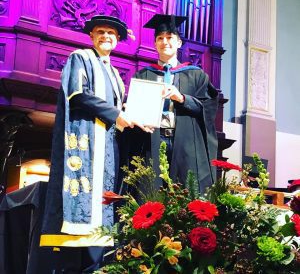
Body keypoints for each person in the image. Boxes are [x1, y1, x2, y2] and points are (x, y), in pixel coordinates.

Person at [40, 15, 148, 272]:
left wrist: (137, 118)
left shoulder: (115, 75)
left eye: (111, 33)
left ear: (118, 39)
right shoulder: (81, 58)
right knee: (79, 222)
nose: (106, 36)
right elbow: (79, 94)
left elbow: (120, 110)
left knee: (101, 219)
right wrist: (117, 114)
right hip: (86, 147)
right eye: (100, 32)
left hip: (107, 150)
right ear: (92, 36)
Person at [124, 14, 219, 193]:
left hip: (184, 142)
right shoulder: (143, 75)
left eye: (169, 37)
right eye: (160, 38)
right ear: (155, 44)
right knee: (150, 192)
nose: (165, 42)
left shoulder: (196, 75)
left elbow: (208, 107)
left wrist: (182, 98)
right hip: (152, 140)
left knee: (184, 192)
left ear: (179, 43)